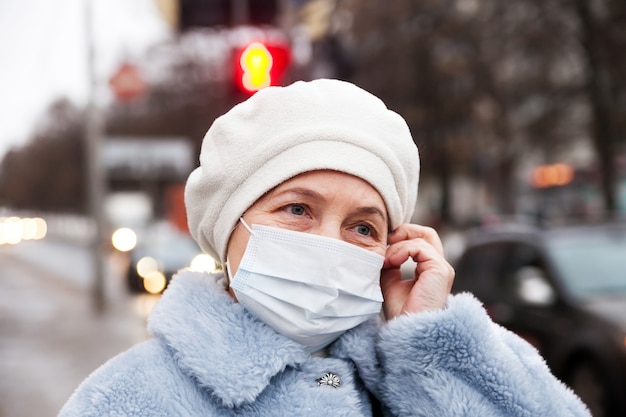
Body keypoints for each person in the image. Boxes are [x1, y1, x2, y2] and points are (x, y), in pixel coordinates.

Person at [59, 79, 590, 416]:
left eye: (363, 227)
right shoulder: (125, 400)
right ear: (229, 227)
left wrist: (429, 350)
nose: (328, 243)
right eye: (297, 209)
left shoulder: (462, 365)